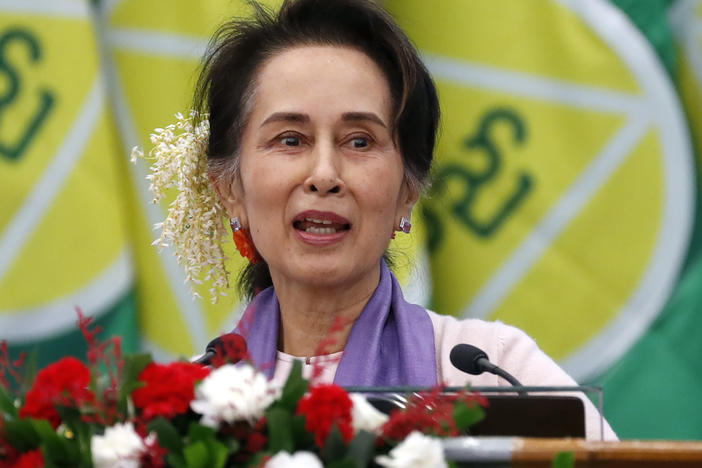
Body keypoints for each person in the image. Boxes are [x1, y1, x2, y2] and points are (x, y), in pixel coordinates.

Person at [145, 0, 616, 440]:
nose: (325, 175)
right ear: (230, 189)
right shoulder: (188, 406)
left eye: (360, 141)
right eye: (290, 139)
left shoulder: (487, 371)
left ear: (408, 193)